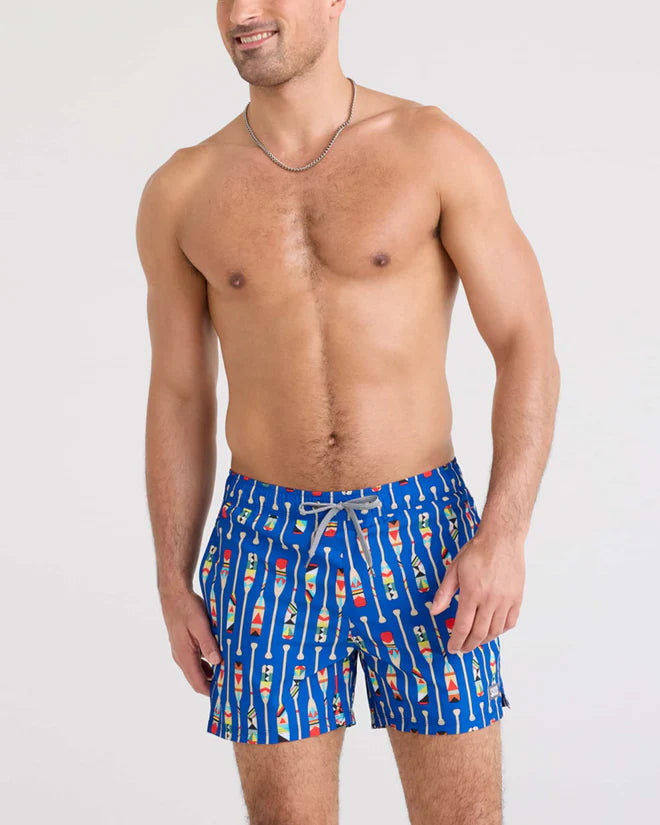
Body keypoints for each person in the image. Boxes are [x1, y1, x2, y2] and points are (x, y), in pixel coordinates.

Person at [136, 1, 560, 823]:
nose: (242, 12)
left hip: (426, 537)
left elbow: (526, 344)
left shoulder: (431, 148)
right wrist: (169, 577)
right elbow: (180, 395)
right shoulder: (182, 189)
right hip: (263, 546)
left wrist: (505, 533)